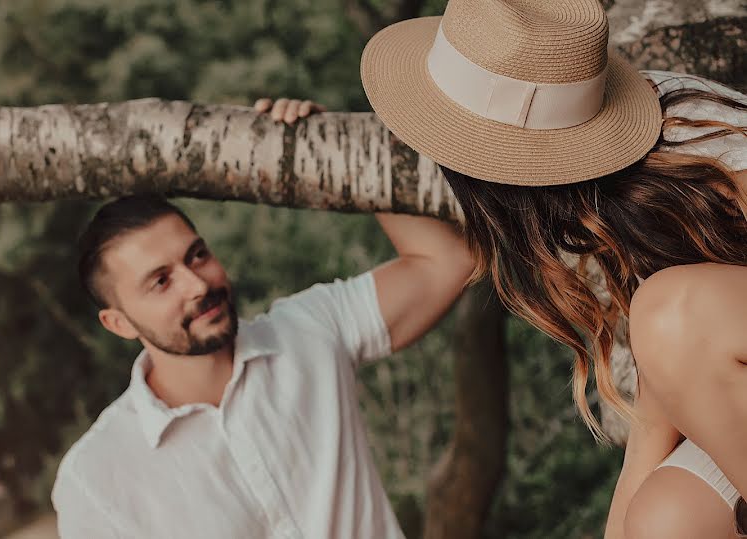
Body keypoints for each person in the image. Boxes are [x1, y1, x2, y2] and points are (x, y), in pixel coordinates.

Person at [359, 0, 746, 537]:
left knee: (668, 309)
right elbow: (662, 399)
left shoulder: (687, 138)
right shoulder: (578, 214)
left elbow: (680, 331)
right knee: (663, 521)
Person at [50, 100, 475, 538]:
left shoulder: (311, 329)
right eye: (161, 281)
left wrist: (332, 145)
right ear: (118, 323)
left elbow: (445, 262)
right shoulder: (96, 476)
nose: (197, 284)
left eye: (197, 255)